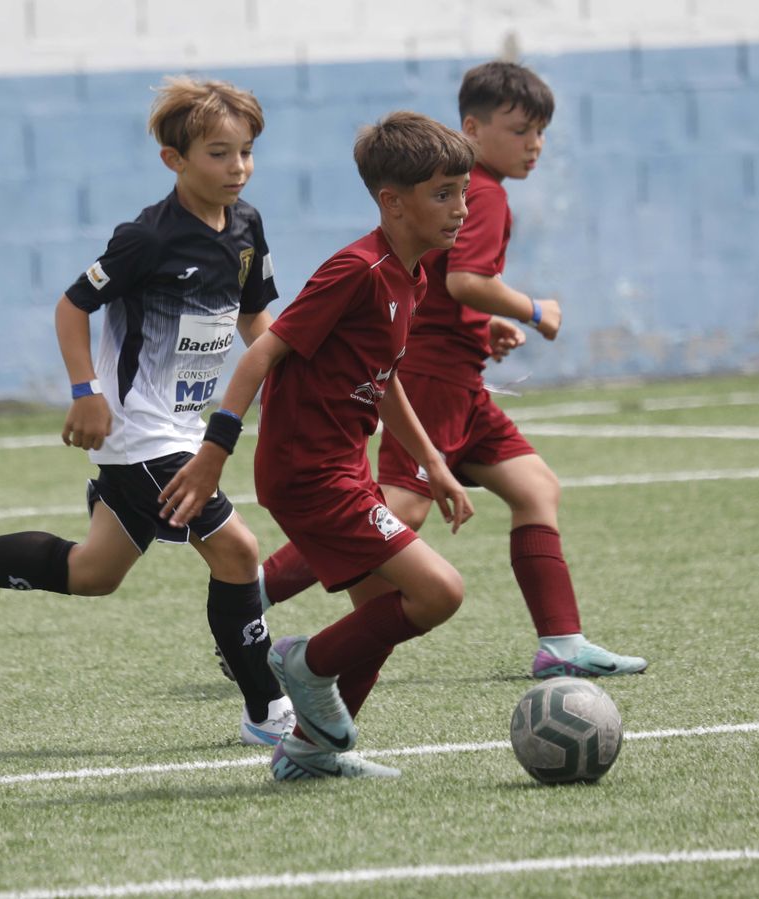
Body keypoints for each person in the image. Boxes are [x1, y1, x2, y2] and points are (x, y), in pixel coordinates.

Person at [0, 76, 295, 748]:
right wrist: (87, 392)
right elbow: (71, 306)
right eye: (219, 154)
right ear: (175, 160)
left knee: (93, 572)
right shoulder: (146, 238)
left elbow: (256, 318)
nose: (238, 168)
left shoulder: (248, 225)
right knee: (237, 550)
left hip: (180, 426)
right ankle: (269, 712)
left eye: (246, 153)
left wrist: (294, 374)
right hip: (140, 435)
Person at [256, 61, 648, 679]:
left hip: (462, 379)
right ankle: (252, 596)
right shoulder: (483, 193)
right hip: (433, 382)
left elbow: (443, 287)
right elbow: (467, 279)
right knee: (397, 514)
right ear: (473, 128)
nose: (534, 144)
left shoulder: (468, 194)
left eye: (541, 132)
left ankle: (562, 642)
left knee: (535, 487)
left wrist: (480, 325)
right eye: (520, 131)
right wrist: (533, 308)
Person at [159, 111, 478, 780]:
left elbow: (382, 382)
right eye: (444, 193)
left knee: (377, 615)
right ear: (392, 202)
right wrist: (216, 451)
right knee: (439, 593)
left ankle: (308, 751)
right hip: (308, 472)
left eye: (463, 190)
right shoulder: (357, 270)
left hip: (343, 468)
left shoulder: (410, 277)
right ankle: (300, 663)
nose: (461, 208)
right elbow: (259, 356)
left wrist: (434, 465)